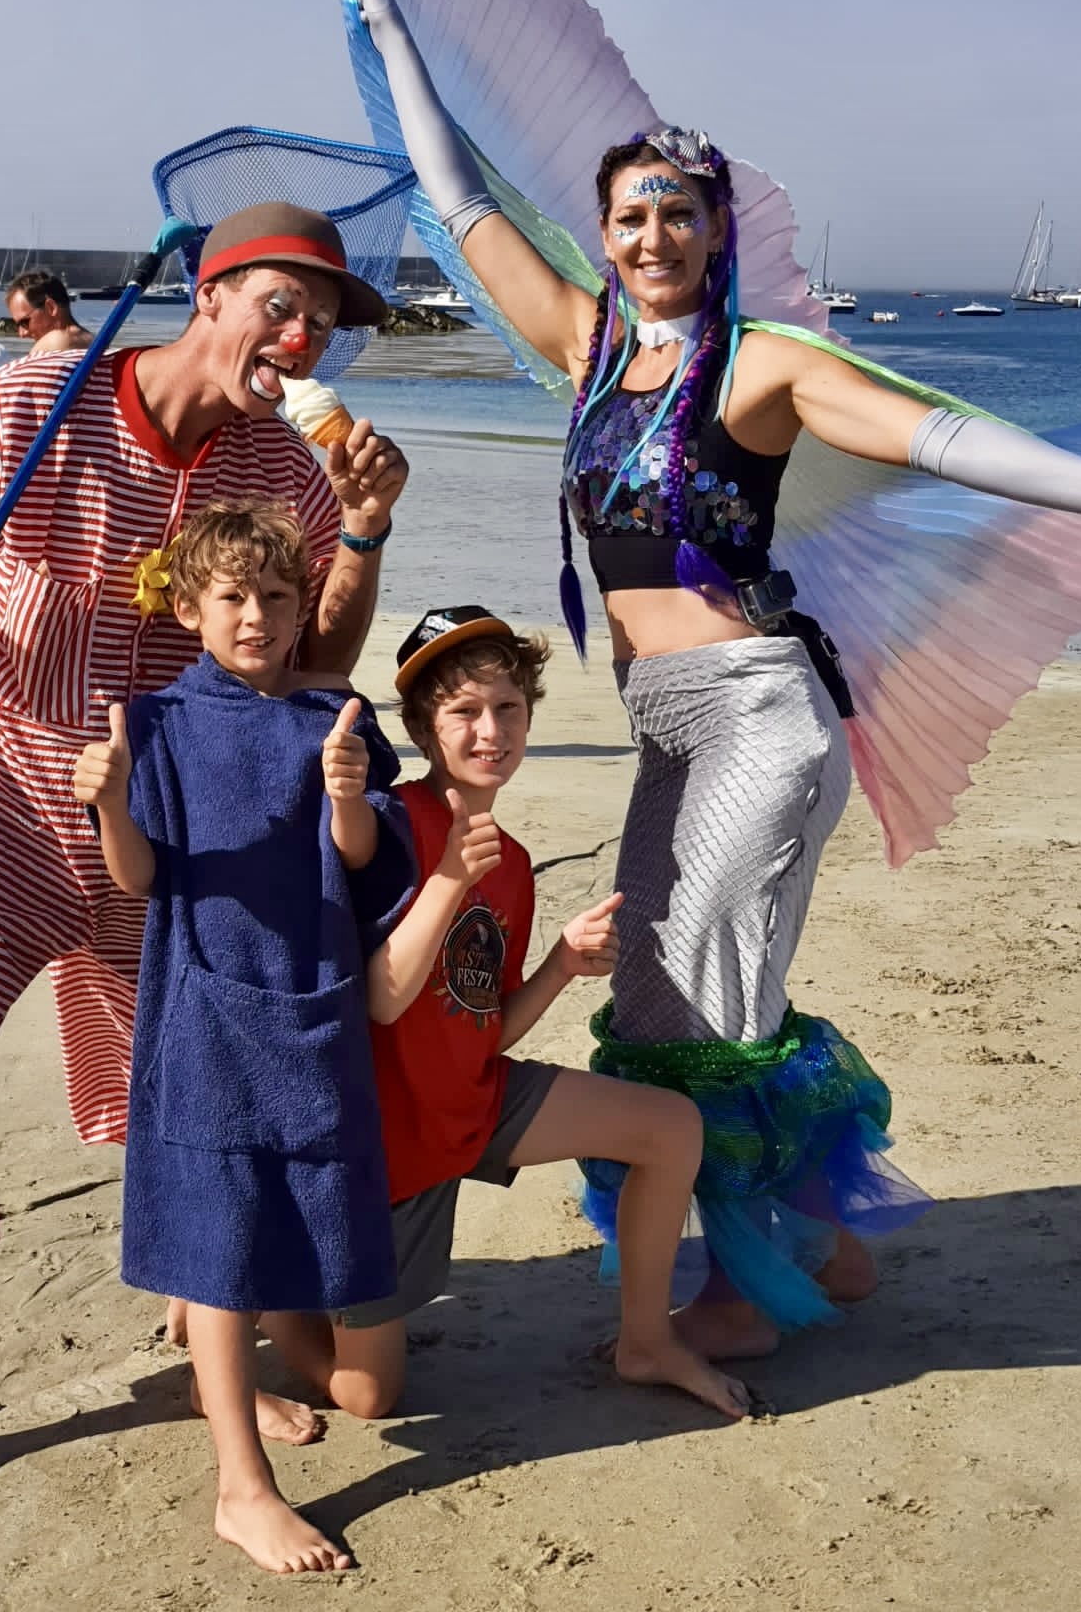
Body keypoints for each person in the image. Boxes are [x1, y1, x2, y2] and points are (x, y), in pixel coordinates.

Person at [351, 0, 1081, 1358]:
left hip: (758, 718)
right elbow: (462, 199)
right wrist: (388, 32)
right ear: (604, 238)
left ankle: (740, 1292)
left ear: (718, 229)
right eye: (631, 216)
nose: (653, 234)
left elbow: (950, 439)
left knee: (702, 1000)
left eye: (679, 211)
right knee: (671, 985)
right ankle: (825, 1247)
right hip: (664, 724)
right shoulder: (587, 347)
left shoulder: (762, 369)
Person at [0, 200, 409, 1538]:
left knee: (172, 1095)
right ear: (208, 295)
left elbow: (314, 663)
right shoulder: (31, 402)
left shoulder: (284, 467)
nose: (302, 338)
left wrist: (365, 530)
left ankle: (198, 1328)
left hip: (161, 840)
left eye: (323, 324)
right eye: (281, 305)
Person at [257, 606, 748, 1427]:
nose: (492, 731)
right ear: (423, 727)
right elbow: (383, 997)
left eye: (508, 707)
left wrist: (561, 964)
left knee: (671, 1128)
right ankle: (271, 1309)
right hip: (388, 1150)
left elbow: (487, 1028)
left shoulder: (512, 862)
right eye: (465, 711)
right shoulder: (393, 823)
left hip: (472, 1106)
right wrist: (443, 872)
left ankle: (647, 1342)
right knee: (370, 1398)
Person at [76, 499, 414, 1576]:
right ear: (189, 608)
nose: (257, 616)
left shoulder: (334, 717)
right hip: (203, 1010)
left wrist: (349, 797)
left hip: (312, 1004)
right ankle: (241, 1486)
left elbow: (365, 865)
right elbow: (140, 879)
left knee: (297, 1213)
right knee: (217, 1236)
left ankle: (232, 1376)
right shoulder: (158, 725)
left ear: (303, 604)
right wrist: (112, 804)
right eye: (232, 597)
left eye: (276, 596)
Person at [5, 269, 94, 354]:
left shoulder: (53, 344)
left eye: (24, 322)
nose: (22, 334)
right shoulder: (95, 344)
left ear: (51, 308)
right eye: (17, 326)